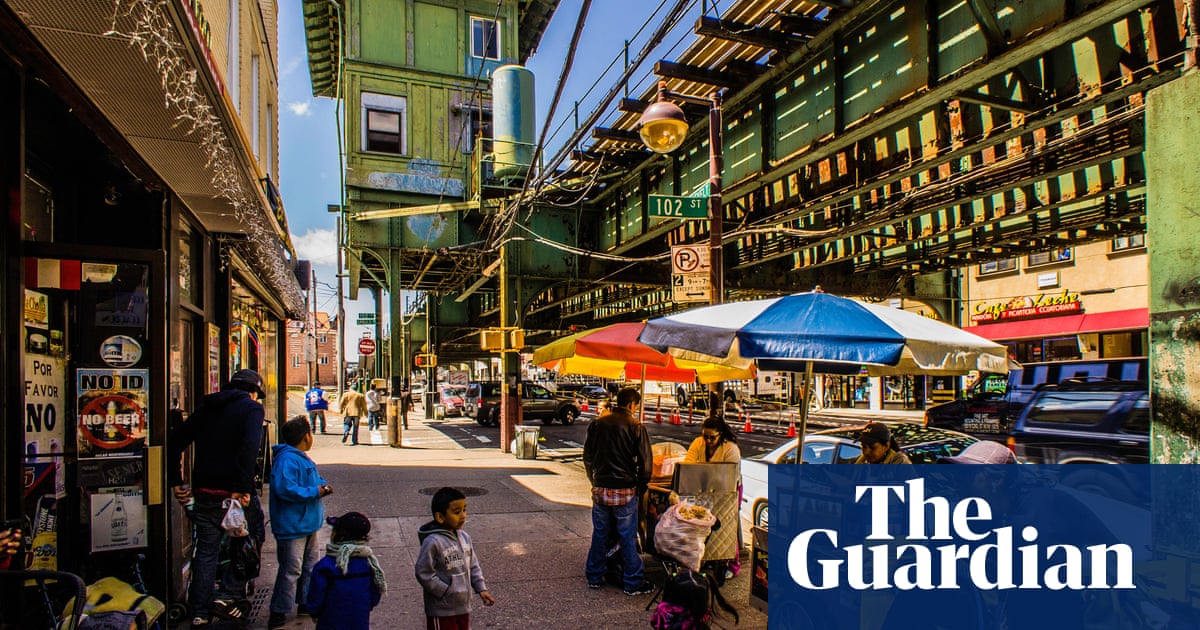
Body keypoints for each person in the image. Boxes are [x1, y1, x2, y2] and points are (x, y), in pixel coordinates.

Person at [171, 369, 268, 627]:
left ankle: (200, 611)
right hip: (234, 493)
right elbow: (249, 449)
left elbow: (175, 442)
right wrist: (243, 488)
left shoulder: (207, 406)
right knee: (251, 538)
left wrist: (177, 481)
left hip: (204, 491)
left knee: (206, 551)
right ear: (253, 392)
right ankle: (226, 595)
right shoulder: (251, 409)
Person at [583, 387, 654, 596]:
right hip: (625, 489)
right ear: (632, 405)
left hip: (600, 487)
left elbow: (587, 457)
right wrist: (641, 486)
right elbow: (646, 464)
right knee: (627, 536)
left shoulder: (597, 424)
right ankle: (632, 581)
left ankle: (594, 575)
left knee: (600, 533)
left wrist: (593, 479)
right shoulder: (635, 426)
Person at [268, 417, 334, 629]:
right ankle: (279, 609)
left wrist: (322, 486)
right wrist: (315, 491)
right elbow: (285, 489)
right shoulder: (287, 460)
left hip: (308, 523)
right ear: (306, 436)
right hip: (292, 525)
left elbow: (313, 480)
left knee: (309, 566)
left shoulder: (301, 458)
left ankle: (305, 601)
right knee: (291, 569)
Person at [415, 487, 495, 630]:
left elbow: (473, 565)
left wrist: (481, 588)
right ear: (440, 517)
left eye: (464, 509)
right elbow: (424, 573)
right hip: (442, 610)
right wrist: (445, 591)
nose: (463, 515)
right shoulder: (433, 542)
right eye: (457, 512)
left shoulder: (464, 537)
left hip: (463, 607)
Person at [682, 415, 744, 578]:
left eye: (712, 437)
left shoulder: (730, 448)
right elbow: (688, 464)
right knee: (702, 521)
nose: (708, 441)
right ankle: (707, 558)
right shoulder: (698, 443)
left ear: (721, 435)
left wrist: (703, 473)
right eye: (705, 436)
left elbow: (730, 474)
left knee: (727, 524)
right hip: (703, 488)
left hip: (729, 488)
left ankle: (732, 564)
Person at [306, 512, 385, 630]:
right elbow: (375, 592)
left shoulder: (326, 565)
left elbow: (316, 596)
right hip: (359, 619)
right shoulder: (369, 563)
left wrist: (313, 611)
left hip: (330, 621)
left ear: (339, 536)